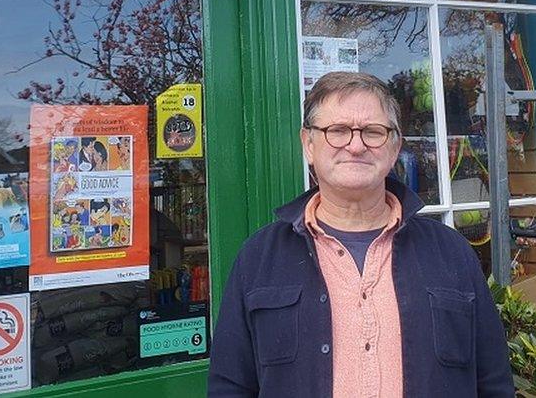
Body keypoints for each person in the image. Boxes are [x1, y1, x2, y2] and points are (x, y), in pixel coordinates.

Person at [208, 72, 513, 397]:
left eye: (373, 132)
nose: (356, 145)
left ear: (394, 147)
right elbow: (231, 386)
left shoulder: (451, 253)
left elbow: (493, 382)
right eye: (337, 131)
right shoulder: (259, 258)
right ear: (309, 145)